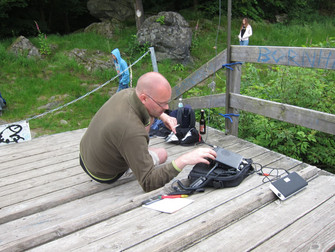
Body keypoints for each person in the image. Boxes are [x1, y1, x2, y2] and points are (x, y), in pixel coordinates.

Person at [79, 72, 217, 192]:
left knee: (148, 120)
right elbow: (148, 182)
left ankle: (137, 149)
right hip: (104, 173)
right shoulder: (132, 131)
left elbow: (139, 112)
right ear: (144, 98)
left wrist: (163, 115)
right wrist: (184, 159)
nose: (167, 107)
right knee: (162, 154)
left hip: (87, 155)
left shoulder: (126, 93)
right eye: (162, 104)